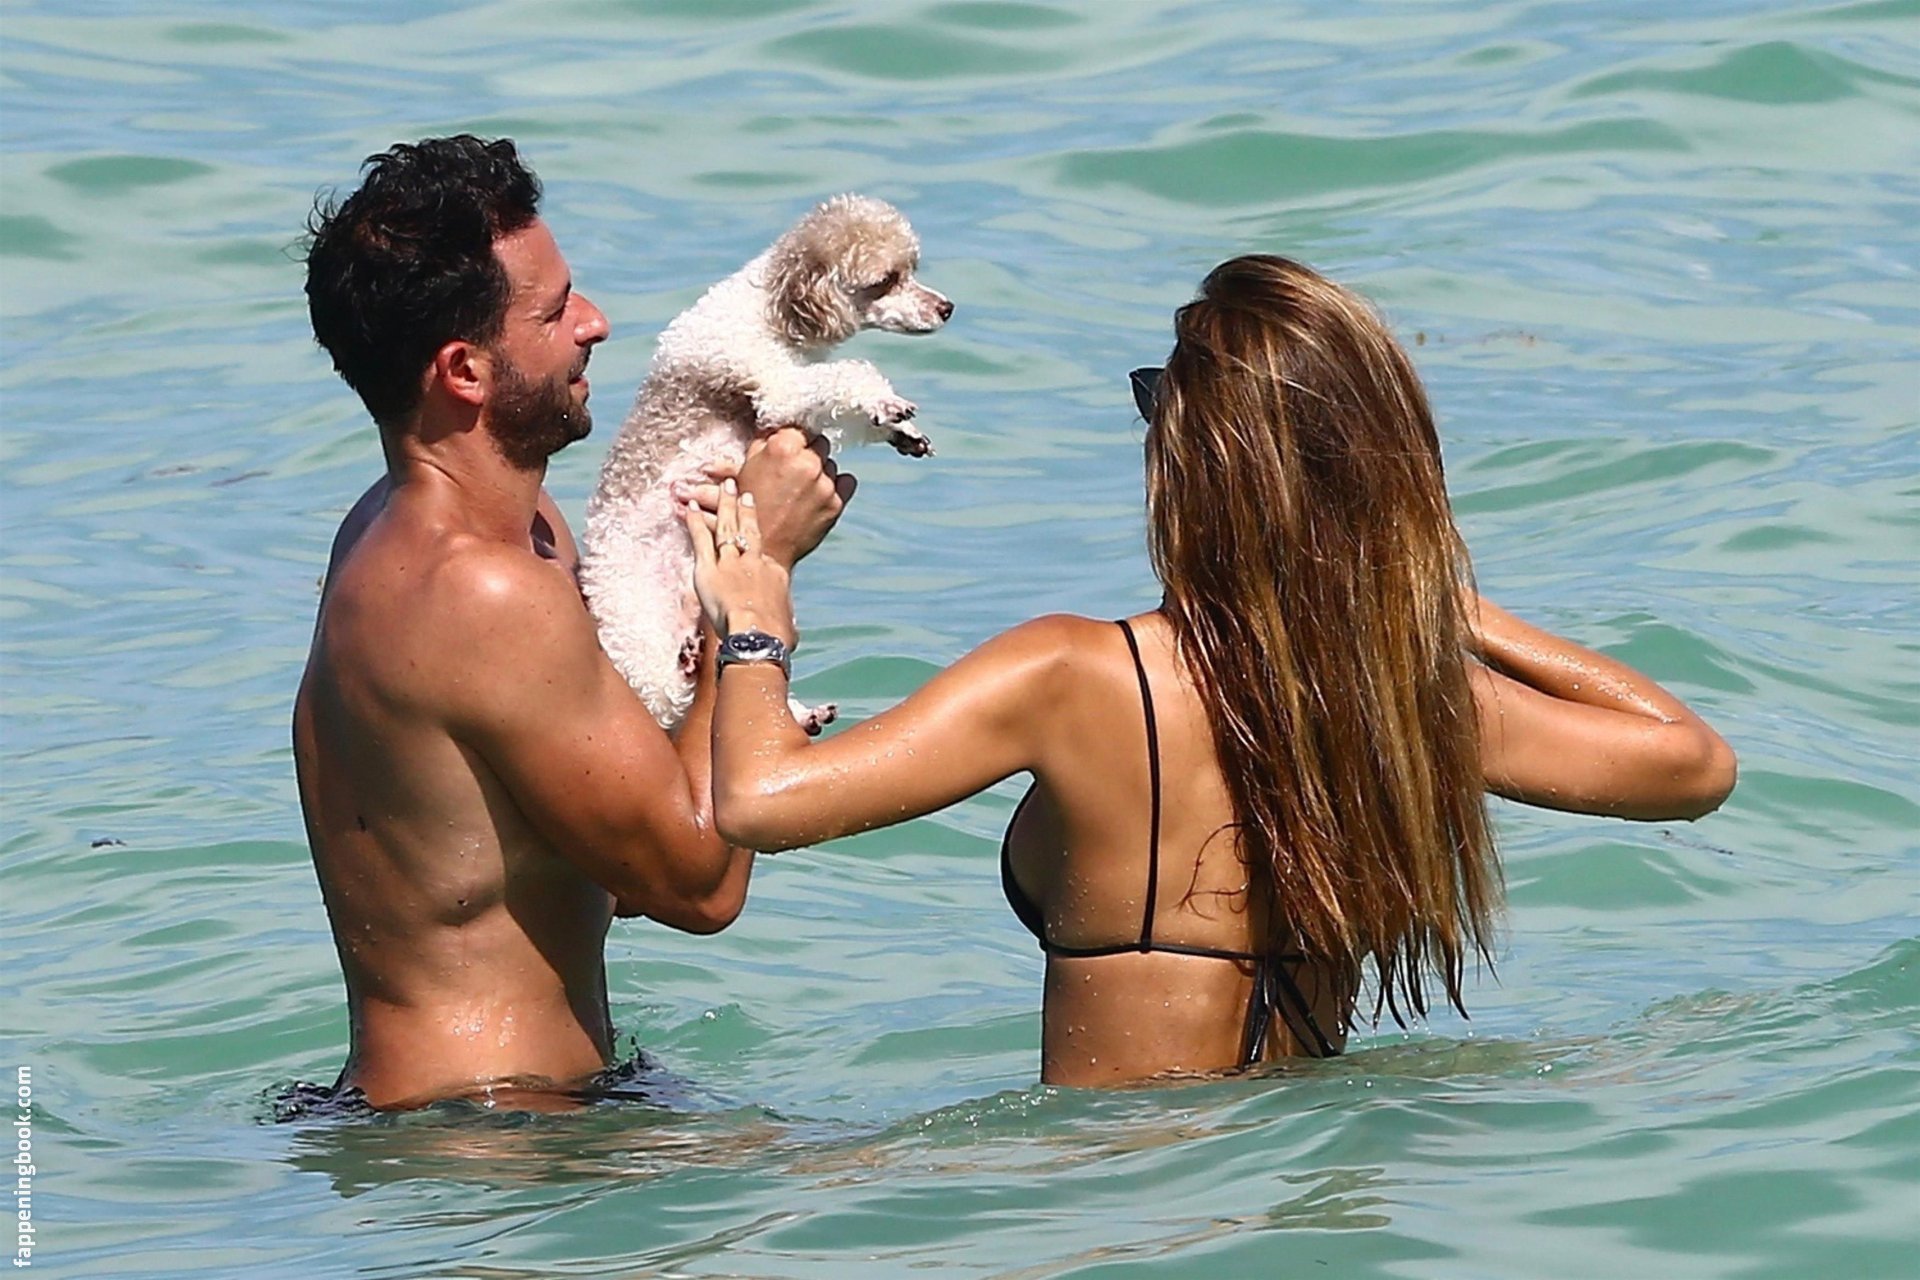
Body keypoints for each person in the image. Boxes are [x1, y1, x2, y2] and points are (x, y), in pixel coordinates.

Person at [681, 254, 1738, 1087]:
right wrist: (1450, 607)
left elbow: (763, 801)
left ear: (1195, 459)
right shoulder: (1407, 701)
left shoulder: (1070, 675)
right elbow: (1692, 765)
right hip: (1317, 1200)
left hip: (1111, 1204)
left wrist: (758, 611)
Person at [292, 135, 852, 1110]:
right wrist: (754, 580)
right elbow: (700, 887)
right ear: (465, 370)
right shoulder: (484, 594)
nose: (594, 322)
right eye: (553, 313)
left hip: (485, 1108)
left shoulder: (418, 529)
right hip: (484, 1136)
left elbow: (616, 866)